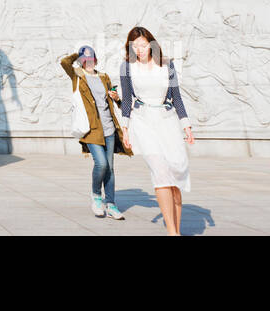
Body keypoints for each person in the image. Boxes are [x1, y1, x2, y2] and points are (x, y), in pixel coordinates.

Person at [117, 26, 195, 235]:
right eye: (135, 47)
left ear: (151, 44)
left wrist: (186, 125)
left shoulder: (167, 65)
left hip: (167, 120)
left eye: (143, 45)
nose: (140, 50)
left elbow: (177, 98)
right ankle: (172, 232)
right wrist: (125, 128)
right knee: (160, 173)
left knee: (175, 174)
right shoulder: (127, 67)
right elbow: (126, 100)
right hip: (143, 121)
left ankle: (176, 229)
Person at [61, 45, 132, 219]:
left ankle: (112, 204)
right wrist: (78, 55)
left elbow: (113, 100)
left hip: (109, 128)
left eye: (91, 59)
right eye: (85, 60)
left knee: (110, 168)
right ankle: (96, 196)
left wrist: (116, 98)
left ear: (96, 59)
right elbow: (64, 63)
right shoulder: (78, 76)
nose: (89, 63)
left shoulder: (104, 77)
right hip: (91, 129)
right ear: (81, 62)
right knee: (101, 164)